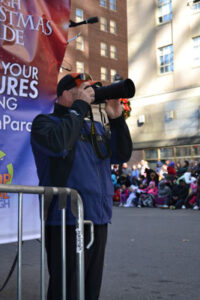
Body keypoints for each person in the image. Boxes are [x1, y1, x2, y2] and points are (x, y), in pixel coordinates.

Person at [31, 73, 132, 300]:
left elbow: (122, 154)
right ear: (66, 93)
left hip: (97, 218)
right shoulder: (45, 123)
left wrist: (116, 119)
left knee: (90, 289)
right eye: (84, 89)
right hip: (65, 219)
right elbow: (59, 144)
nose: (91, 93)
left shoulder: (92, 128)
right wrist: (78, 108)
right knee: (66, 288)